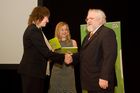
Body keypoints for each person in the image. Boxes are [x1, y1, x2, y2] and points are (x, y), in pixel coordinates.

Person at [18, 6, 68, 93]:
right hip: (32, 72)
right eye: (47, 18)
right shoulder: (33, 30)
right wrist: (64, 57)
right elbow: (46, 52)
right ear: (40, 16)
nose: (48, 21)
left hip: (34, 72)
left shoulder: (36, 30)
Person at [72, 9, 117, 93]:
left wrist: (104, 77)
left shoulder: (107, 33)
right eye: (87, 19)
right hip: (91, 82)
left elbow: (109, 56)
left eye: (91, 18)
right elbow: (83, 54)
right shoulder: (87, 37)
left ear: (100, 20)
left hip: (101, 82)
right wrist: (71, 57)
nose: (88, 21)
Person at [48, 21, 78, 93]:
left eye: (66, 29)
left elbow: (77, 59)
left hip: (69, 72)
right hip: (57, 72)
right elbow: (49, 60)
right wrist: (52, 51)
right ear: (58, 31)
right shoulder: (53, 42)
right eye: (62, 30)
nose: (64, 31)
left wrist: (72, 56)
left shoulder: (73, 42)